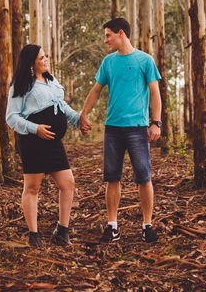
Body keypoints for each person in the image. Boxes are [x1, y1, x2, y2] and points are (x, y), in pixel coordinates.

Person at [78, 17, 162, 244]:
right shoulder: (108, 62)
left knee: (143, 177)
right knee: (112, 177)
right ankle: (112, 227)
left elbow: (155, 92)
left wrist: (156, 123)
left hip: (138, 128)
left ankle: (147, 226)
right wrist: (83, 114)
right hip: (113, 129)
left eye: (108, 35)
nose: (105, 40)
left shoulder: (145, 60)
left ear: (121, 33)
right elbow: (96, 90)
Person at [5, 44, 81, 247]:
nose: (46, 60)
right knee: (32, 188)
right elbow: (11, 117)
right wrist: (35, 128)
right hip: (32, 142)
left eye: (45, 56)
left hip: (54, 143)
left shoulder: (51, 80)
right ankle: (34, 235)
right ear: (31, 63)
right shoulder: (21, 85)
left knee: (68, 184)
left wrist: (78, 119)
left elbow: (61, 106)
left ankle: (62, 231)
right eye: (41, 58)